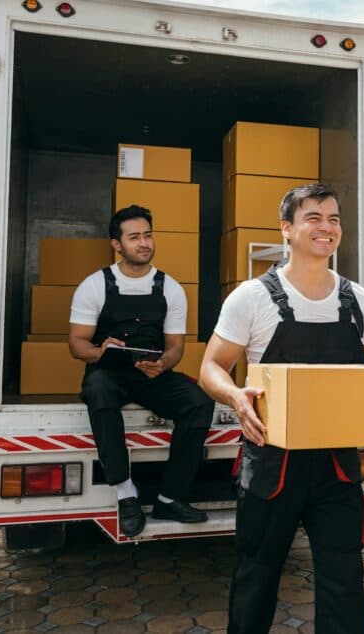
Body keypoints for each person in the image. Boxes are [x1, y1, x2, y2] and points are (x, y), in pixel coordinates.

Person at [199, 184, 364, 634]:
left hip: (336, 466)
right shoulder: (252, 297)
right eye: (314, 218)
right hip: (271, 465)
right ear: (287, 229)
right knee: (256, 576)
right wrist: (235, 396)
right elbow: (211, 367)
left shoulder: (358, 300)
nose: (327, 228)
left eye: (334, 219)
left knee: (345, 579)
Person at [69, 204, 214, 537]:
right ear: (117, 244)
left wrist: (164, 363)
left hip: (150, 373)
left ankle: (169, 497)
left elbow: (176, 345)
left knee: (199, 402)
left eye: (147, 235)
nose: (144, 243)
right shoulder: (95, 285)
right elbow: (77, 344)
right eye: (134, 237)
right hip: (108, 373)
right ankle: (125, 494)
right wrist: (99, 351)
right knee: (99, 391)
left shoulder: (170, 288)